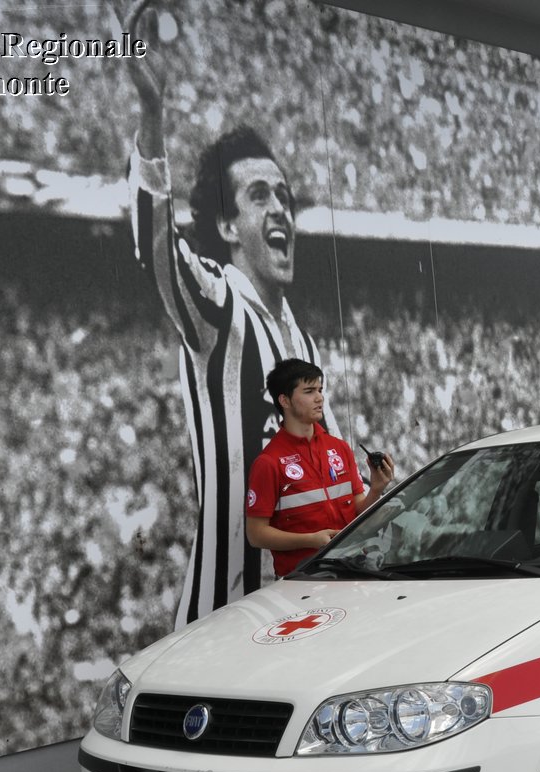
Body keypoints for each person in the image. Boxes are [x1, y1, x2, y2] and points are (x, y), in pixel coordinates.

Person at [125, 31, 338, 625]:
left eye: (286, 199)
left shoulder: (303, 342)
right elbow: (156, 245)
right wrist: (153, 114)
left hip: (301, 608)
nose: (280, 211)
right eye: (259, 195)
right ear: (224, 224)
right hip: (226, 618)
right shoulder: (221, 306)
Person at [246, 359, 394, 577]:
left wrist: (376, 489)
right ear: (284, 400)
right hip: (301, 580)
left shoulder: (339, 448)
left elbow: (357, 510)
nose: (319, 398)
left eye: (320, 389)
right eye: (309, 391)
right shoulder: (268, 462)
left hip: (353, 569)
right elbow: (256, 534)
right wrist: (310, 540)